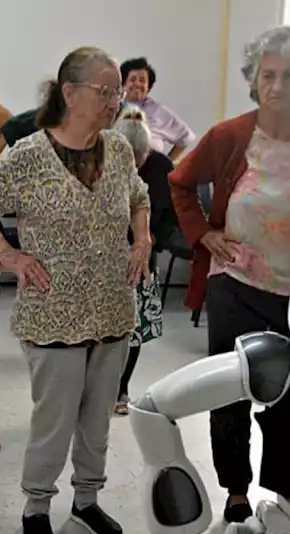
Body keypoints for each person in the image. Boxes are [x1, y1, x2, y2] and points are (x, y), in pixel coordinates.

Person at [0, 46, 152, 534]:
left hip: (112, 306)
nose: (115, 100)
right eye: (105, 91)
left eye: (116, 92)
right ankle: (37, 505)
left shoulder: (119, 151)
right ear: (70, 93)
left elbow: (139, 196)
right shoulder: (28, 154)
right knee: (55, 418)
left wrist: (144, 239)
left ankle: (86, 501)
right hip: (53, 309)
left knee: (97, 418)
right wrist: (8, 253)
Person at [169, 25, 290, 524]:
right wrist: (203, 236)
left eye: (289, 75)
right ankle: (235, 488)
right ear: (253, 79)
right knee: (233, 387)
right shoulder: (229, 136)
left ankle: (287, 482)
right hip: (236, 284)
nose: (277, 85)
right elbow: (180, 184)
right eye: (268, 75)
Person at [113, 110, 166, 416]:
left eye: (139, 157)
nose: (133, 163)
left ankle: (121, 388)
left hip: (142, 260)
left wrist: (149, 239)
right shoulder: (101, 165)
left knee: (134, 330)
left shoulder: (160, 168)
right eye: (127, 155)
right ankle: (97, 390)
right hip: (104, 259)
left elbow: (169, 218)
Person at [120, 57, 195, 161]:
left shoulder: (159, 111)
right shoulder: (114, 107)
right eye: (132, 80)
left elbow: (186, 137)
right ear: (124, 84)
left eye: (142, 80)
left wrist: (166, 162)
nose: (137, 84)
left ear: (148, 86)